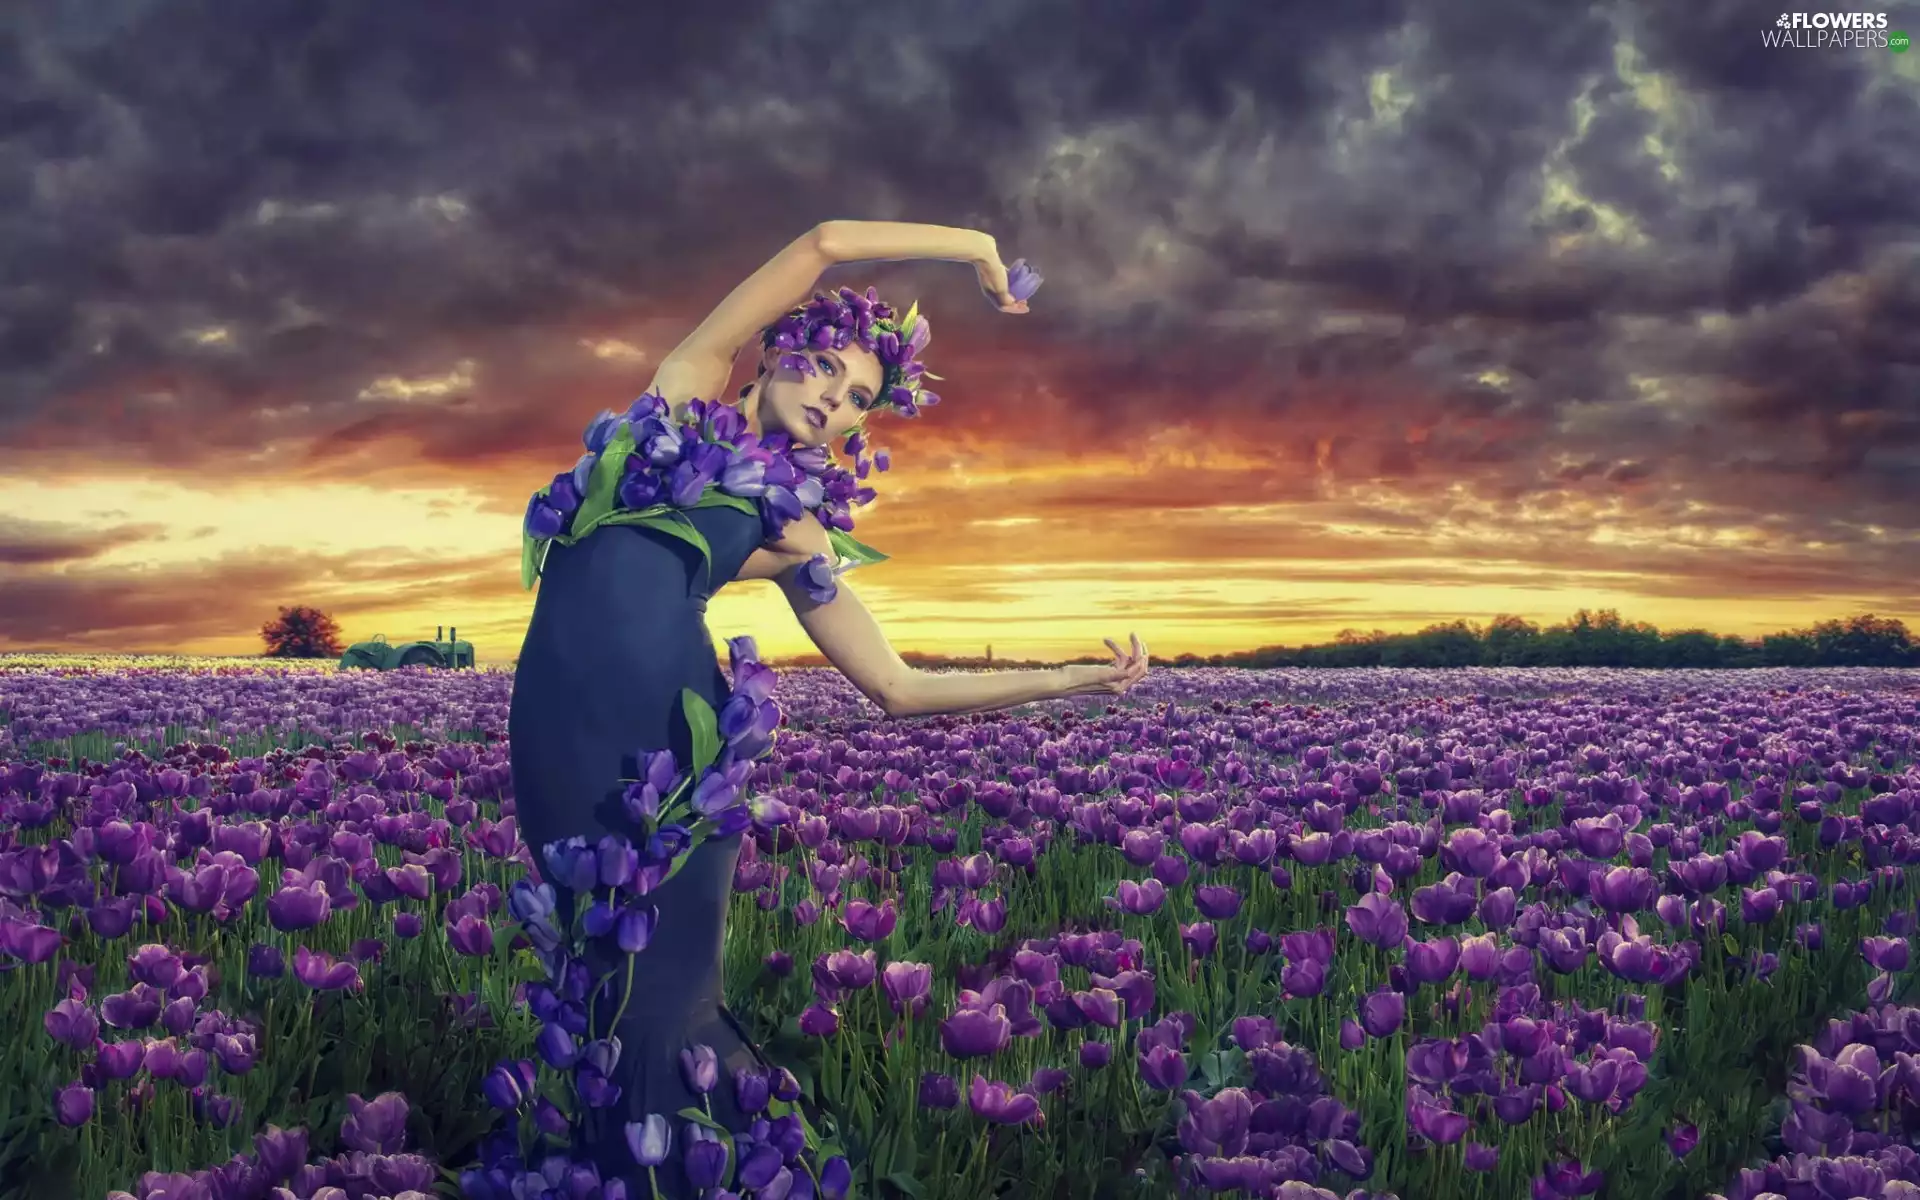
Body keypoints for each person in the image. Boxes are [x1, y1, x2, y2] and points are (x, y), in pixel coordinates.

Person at [500, 221, 1150, 1198]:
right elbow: (823, 242)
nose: (832, 402)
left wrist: (1073, 679)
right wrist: (974, 246)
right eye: (821, 370)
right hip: (552, 726)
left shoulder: (797, 527)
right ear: (773, 354)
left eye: (856, 400)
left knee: (656, 1009)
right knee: (595, 995)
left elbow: (896, 686)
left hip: (671, 751)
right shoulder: (680, 398)